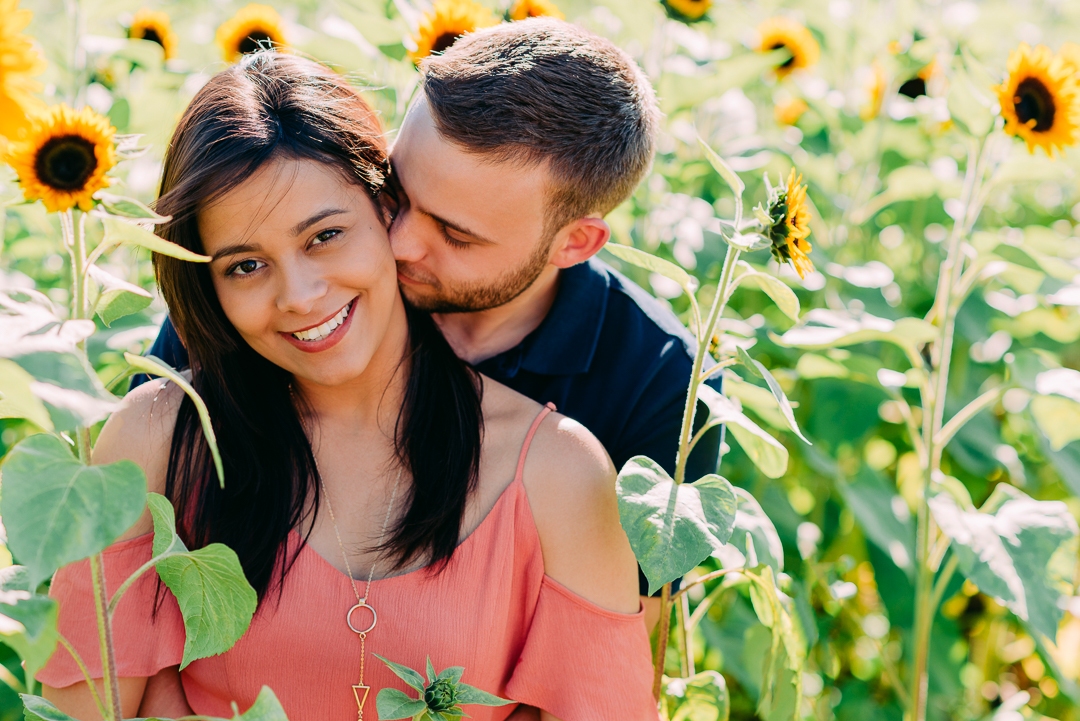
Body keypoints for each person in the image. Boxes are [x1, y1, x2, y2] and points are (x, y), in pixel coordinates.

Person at [37, 52, 657, 721]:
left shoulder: (559, 473)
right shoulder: (157, 437)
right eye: (246, 265)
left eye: (325, 235)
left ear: (386, 208)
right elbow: (82, 708)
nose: (299, 296)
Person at [138, 18, 723, 629]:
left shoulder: (659, 385)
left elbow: (616, 652)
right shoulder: (303, 301)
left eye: (455, 234)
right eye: (397, 189)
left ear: (574, 244)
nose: (401, 241)